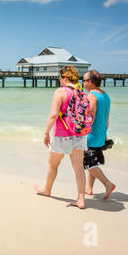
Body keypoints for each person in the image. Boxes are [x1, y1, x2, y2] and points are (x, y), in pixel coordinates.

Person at [34, 65, 88, 209]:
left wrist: (46, 133)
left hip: (63, 135)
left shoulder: (60, 92)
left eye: (60, 77)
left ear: (65, 78)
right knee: (78, 168)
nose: (59, 80)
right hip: (80, 135)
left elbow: (53, 115)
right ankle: (81, 199)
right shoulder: (81, 92)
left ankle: (47, 189)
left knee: (53, 164)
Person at [82, 70, 116, 199]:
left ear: (90, 82)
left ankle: (108, 184)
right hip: (101, 135)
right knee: (93, 163)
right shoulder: (105, 96)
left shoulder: (91, 96)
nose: (83, 82)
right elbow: (106, 119)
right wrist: (104, 136)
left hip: (91, 136)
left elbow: (89, 119)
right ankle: (89, 188)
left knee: (87, 164)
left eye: (84, 80)